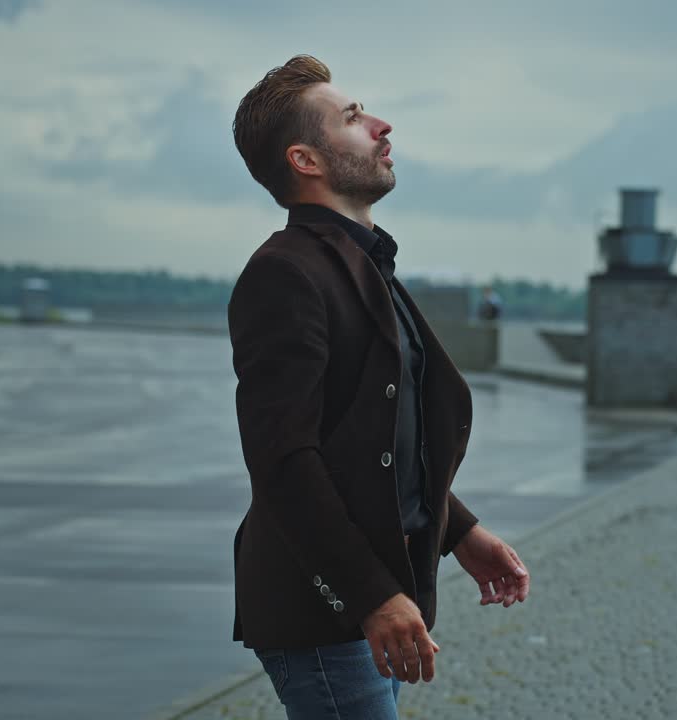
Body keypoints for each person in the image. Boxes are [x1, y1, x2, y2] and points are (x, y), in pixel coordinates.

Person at [227, 55, 531, 719]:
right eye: (355, 118)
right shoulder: (285, 274)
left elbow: (374, 442)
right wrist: (370, 597)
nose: (383, 127)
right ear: (306, 160)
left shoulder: (362, 264)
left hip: (373, 602)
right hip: (325, 611)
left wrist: (461, 533)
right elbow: (284, 461)